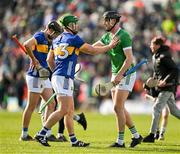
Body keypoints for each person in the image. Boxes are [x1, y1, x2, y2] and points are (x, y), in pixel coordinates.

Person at [34, 13, 119, 147]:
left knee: (69, 110)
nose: (77, 26)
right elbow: (92, 51)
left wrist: (57, 71)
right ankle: (41, 133)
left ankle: (73, 141)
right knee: (63, 109)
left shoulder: (56, 40)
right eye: (74, 23)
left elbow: (49, 60)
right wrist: (109, 47)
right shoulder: (74, 39)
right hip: (63, 78)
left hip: (60, 76)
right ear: (68, 25)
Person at [93, 11, 143, 148]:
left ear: (114, 21)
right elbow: (93, 47)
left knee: (117, 106)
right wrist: (78, 48)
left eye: (107, 20)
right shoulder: (107, 36)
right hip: (115, 73)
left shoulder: (124, 35)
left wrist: (120, 74)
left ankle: (120, 141)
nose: (104, 23)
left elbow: (129, 59)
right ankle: (136, 136)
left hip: (126, 73)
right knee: (119, 108)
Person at [20, 21, 63, 141]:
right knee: (31, 106)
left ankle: (45, 132)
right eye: (54, 33)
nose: (55, 36)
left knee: (51, 103)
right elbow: (26, 44)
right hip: (34, 75)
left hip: (44, 75)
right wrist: (34, 60)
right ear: (49, 29)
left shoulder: (49, 41)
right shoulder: (39, 36)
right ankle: (24, 134)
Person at [143, 36, 180, 143]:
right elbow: (157, 73)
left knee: (156, 108)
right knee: (174, 111)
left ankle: (151, 135)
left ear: (158, 46)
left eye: (152, 44)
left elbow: (175, 70)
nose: (150, 46)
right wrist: (148, 84)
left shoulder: (164, 56)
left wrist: (165, 81)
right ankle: (153, 134)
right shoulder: (156, 56)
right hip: (163, 87)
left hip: (168, 87)